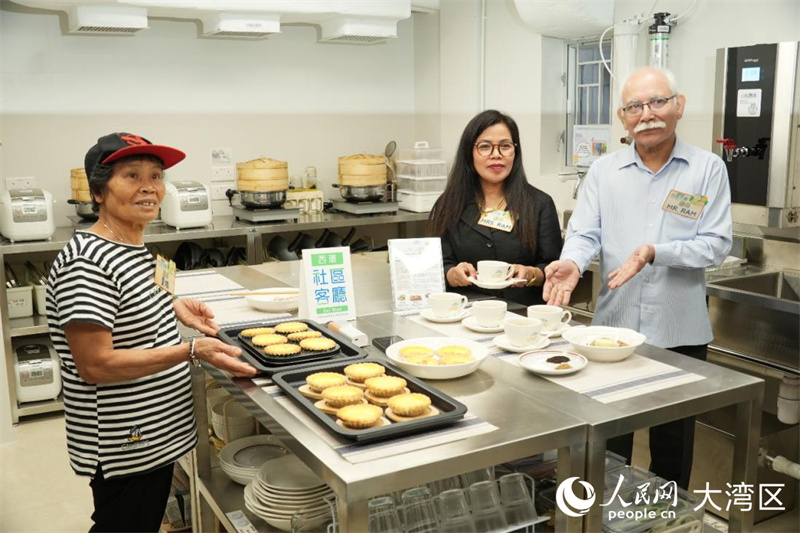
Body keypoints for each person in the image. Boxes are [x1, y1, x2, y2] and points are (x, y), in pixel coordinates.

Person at [46, 132, 258, 532]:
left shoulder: (132, 245)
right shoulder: (86, 263)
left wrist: (173, 306)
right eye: (132, 175)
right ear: (98, 192)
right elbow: (96, 364)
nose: (149, 187)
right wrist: (191, 350)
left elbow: (127, 304)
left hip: (155, 432)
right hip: (127, 441)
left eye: (156, 176)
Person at [543, 68, 732, 489]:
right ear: (622, 117)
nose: (647, 114)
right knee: (609, 442)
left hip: (680, 331)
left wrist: (655, 252)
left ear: (679, 105)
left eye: (657, 102)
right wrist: (573, 261)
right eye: (635, 107)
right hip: (613, 332)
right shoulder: (603, 171)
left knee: (673, 447)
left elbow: (716, 245)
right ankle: (610, 514)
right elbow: (585, 232)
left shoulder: (707, 169)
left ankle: (670, 515)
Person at [428, 109, 562, 306]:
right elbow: (439, 265)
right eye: (485, 147)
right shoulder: (449, 204)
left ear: (515, 152)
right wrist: (452, 274)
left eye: (505, 146)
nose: (496, 155)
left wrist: (532, 273)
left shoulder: (540, 204)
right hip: (465, 311)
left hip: (521, 315)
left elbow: (554, 267)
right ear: (469, 153)